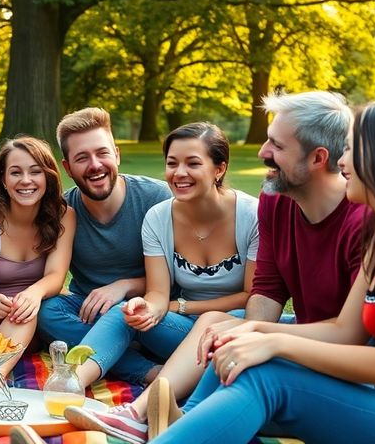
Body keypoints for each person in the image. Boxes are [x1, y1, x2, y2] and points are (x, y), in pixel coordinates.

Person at [149, 101, 375, 443]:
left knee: (269, 377)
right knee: (246, 350)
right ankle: (188, 425)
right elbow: (345, 331)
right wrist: (254, 329)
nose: (342, 161)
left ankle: (186, 429)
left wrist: (275, 343)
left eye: (350, 150)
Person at [67, 91, 367, 442]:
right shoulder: (275, 203)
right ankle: (134, 411)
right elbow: (268, 289)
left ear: (318, 158)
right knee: (211, 325)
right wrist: (246, 336)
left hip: (341, 354)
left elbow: (353, 334)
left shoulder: (363, 222)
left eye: (276, 145)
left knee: (229, 335)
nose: (262, 152)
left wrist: (256, 335)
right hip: (271, 331)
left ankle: (174, 418)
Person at [64, 123, 257, 443]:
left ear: (219, 169)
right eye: (172, 163)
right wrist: (148, 308)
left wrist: (179, 306)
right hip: (184, 332)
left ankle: (137, 413)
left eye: (192, 163)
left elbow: (252, 296)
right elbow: (157, 292)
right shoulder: (158, 217)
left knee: (210, 320)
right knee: (125, 311)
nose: (179, 173)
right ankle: (69, 386)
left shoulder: (253, 215)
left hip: (236, 329)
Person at [32, 108, 171, 385]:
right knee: (47, 312)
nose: (95, 165)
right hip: (89, 311)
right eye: (82, 158)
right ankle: (146, 370)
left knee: (128, 312)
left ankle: (112, 350)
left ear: (116, 154)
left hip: (147, 309)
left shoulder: (156, 198)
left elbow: (177, 278)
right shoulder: (62, 211)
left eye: (102, 153)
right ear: (68, 168)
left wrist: (124, 286)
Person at [0, 136, 76, 381]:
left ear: (48, 176)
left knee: (22, 313)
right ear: (3, 179)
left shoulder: (63, 216)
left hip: (30, 317)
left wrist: (32, 294)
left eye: (35, 171)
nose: (26, 180)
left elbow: (56, 276)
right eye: (15, 172)